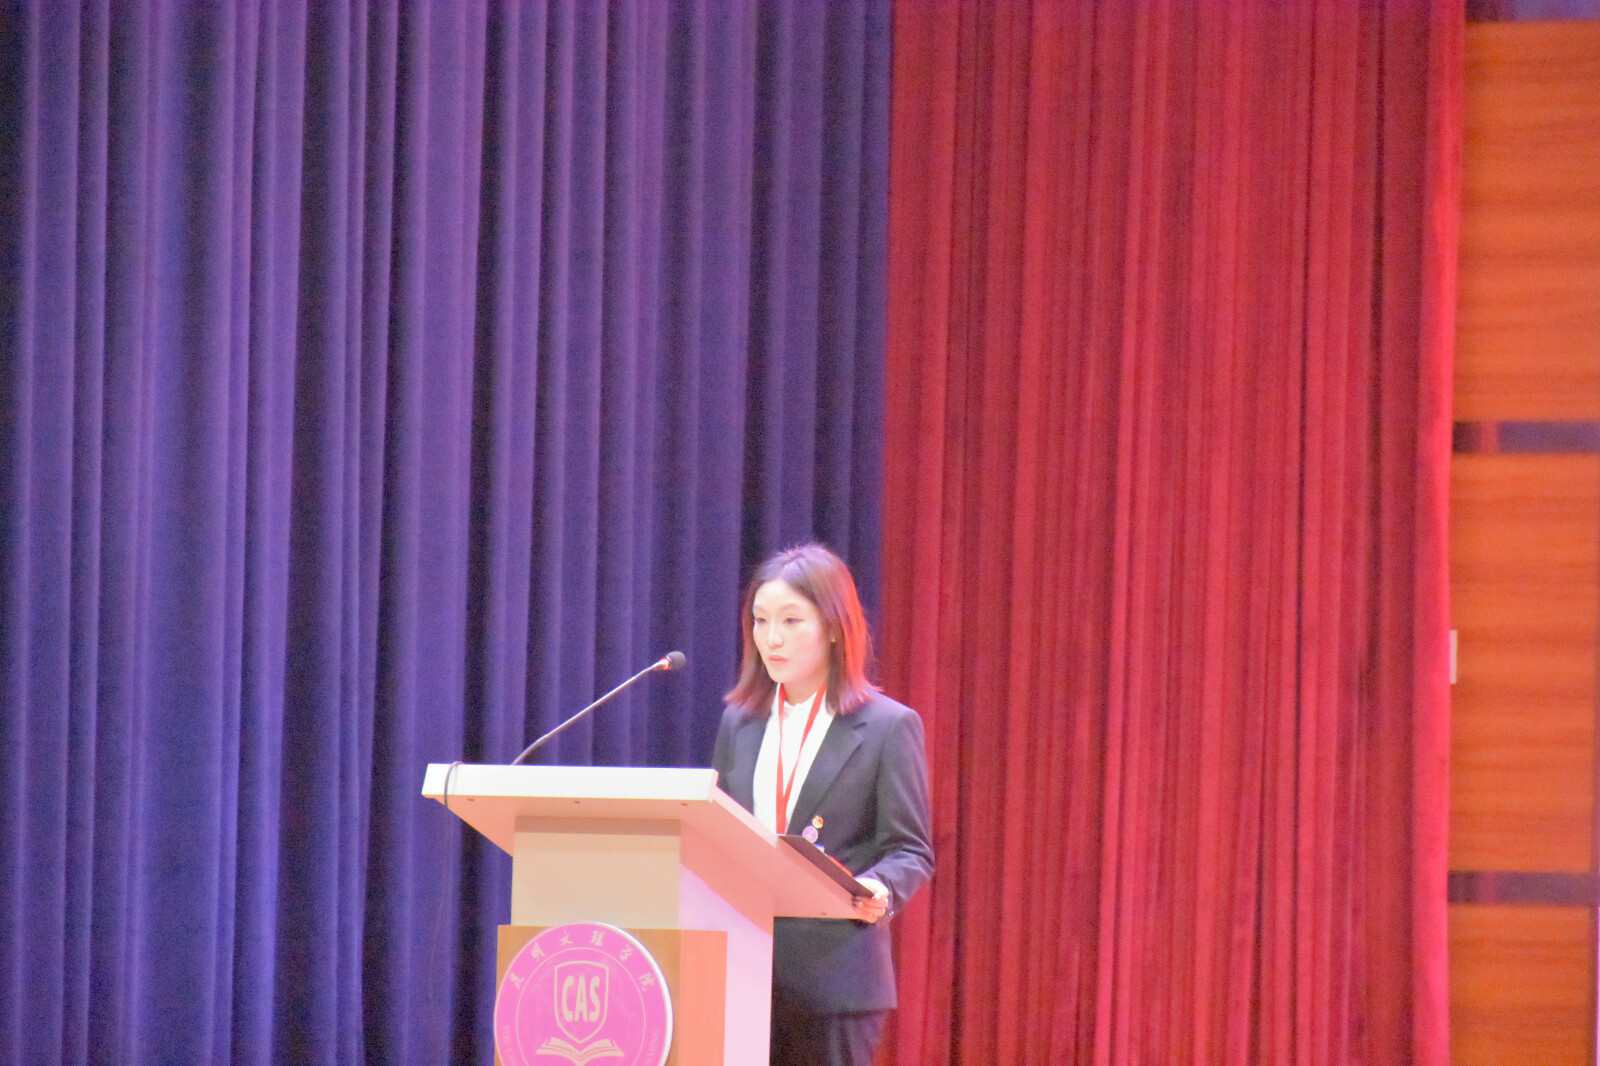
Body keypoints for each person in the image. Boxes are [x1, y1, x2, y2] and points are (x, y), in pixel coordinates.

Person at [712, 543, 935, 1066]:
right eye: (761, 620)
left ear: (834, 628)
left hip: (835, 980)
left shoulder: (887, 727)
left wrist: (879, 887)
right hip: (740, 970)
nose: (772, 638)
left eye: (791, 621)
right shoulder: (740, 723)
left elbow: (911, 849)